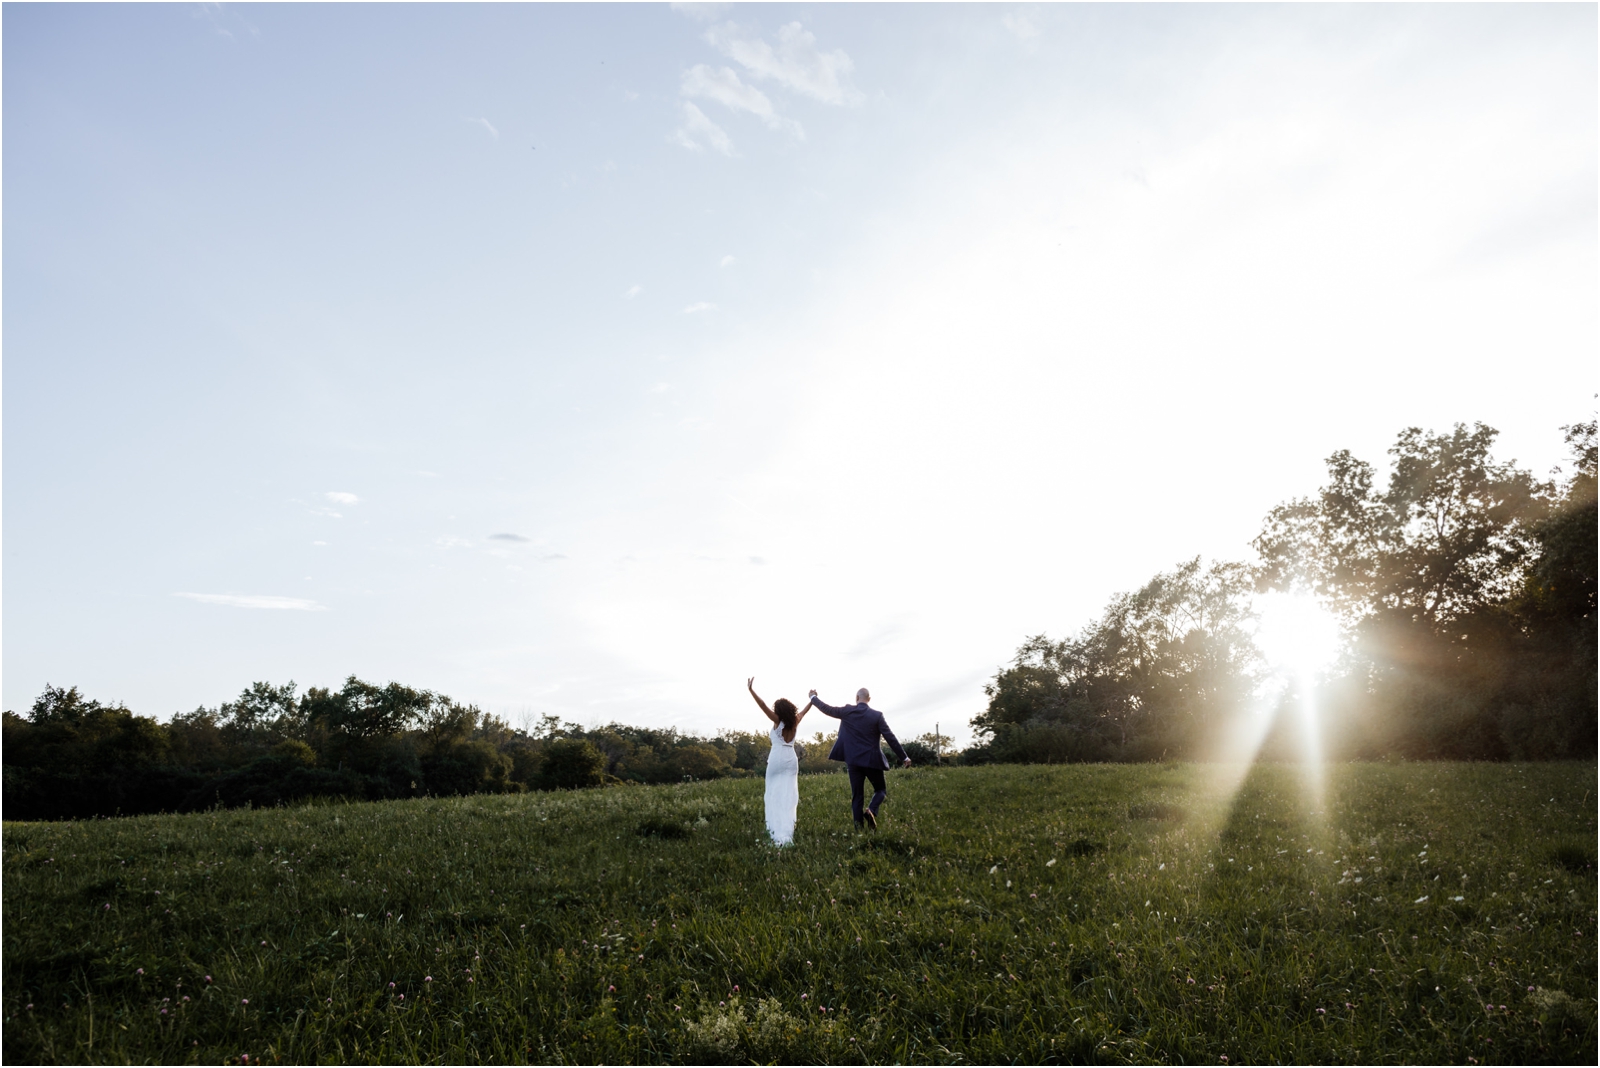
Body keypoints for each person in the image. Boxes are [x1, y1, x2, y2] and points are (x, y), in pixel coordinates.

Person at [807, 687, 910, 830]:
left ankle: (859, 831)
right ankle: (871, 810)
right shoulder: (877, 716)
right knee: (880, 790)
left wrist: (813, 698)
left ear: (857, 698)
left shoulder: (847, 711)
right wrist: (904, 757)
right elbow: (890, 737)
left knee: (857, 796)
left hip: (853, 761)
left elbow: (827, 709)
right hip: (872, 761)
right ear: (869, 699)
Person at [747, 677, 808, 846]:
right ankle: (787, 828)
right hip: (791, 759)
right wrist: (812, 699)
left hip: (777, 758)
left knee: (774, 793)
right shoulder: (795, 721)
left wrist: (751, 690)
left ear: (779, 710)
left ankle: (775, 829)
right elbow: (804, 711)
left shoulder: (777, 721)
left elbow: (762, 705)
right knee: (789, 794)